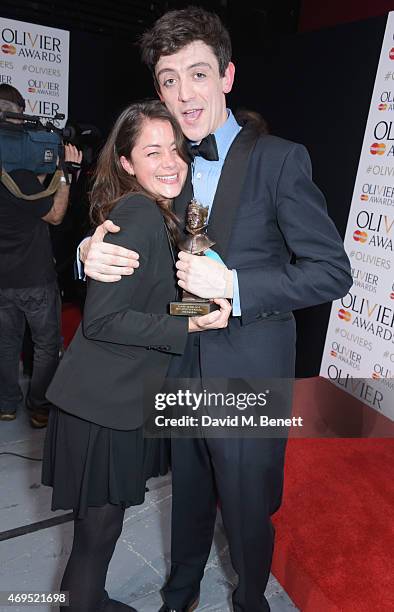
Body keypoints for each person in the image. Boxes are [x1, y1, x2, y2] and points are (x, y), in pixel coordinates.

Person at [80, 7, 353, 611]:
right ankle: (179, 592)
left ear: (227, 76)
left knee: (248, 502)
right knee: (190, 492)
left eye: (198, 74)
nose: (184, 93)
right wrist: (85, 253)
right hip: (178, 357)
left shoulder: (281, 159)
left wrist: (237, 284)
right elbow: (123, 236)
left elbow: (332, 272)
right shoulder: (161, 164)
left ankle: (249, 597)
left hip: (249, 364)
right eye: (169, 80)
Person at [41, 100, 231, 612]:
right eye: (153, 151)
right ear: (126, 163)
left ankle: (88, 599)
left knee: (97, 530)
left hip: (108, 402)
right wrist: (188, 321)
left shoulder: (151, 212)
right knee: (97, 532)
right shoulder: (139, 214)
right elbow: (104, 320)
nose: (170, 162)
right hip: (103, 407)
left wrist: (193, 305)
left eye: (174, 149)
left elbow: (140, 300)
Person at [0, 84, 82, 428]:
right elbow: (55, 215)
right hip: (35, 279)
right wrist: (66, 171)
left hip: (3, 281)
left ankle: (6, 404)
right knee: (47, 345)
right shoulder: (20, 177)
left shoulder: (19, 176)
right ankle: (38, 407)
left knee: (6, 345)